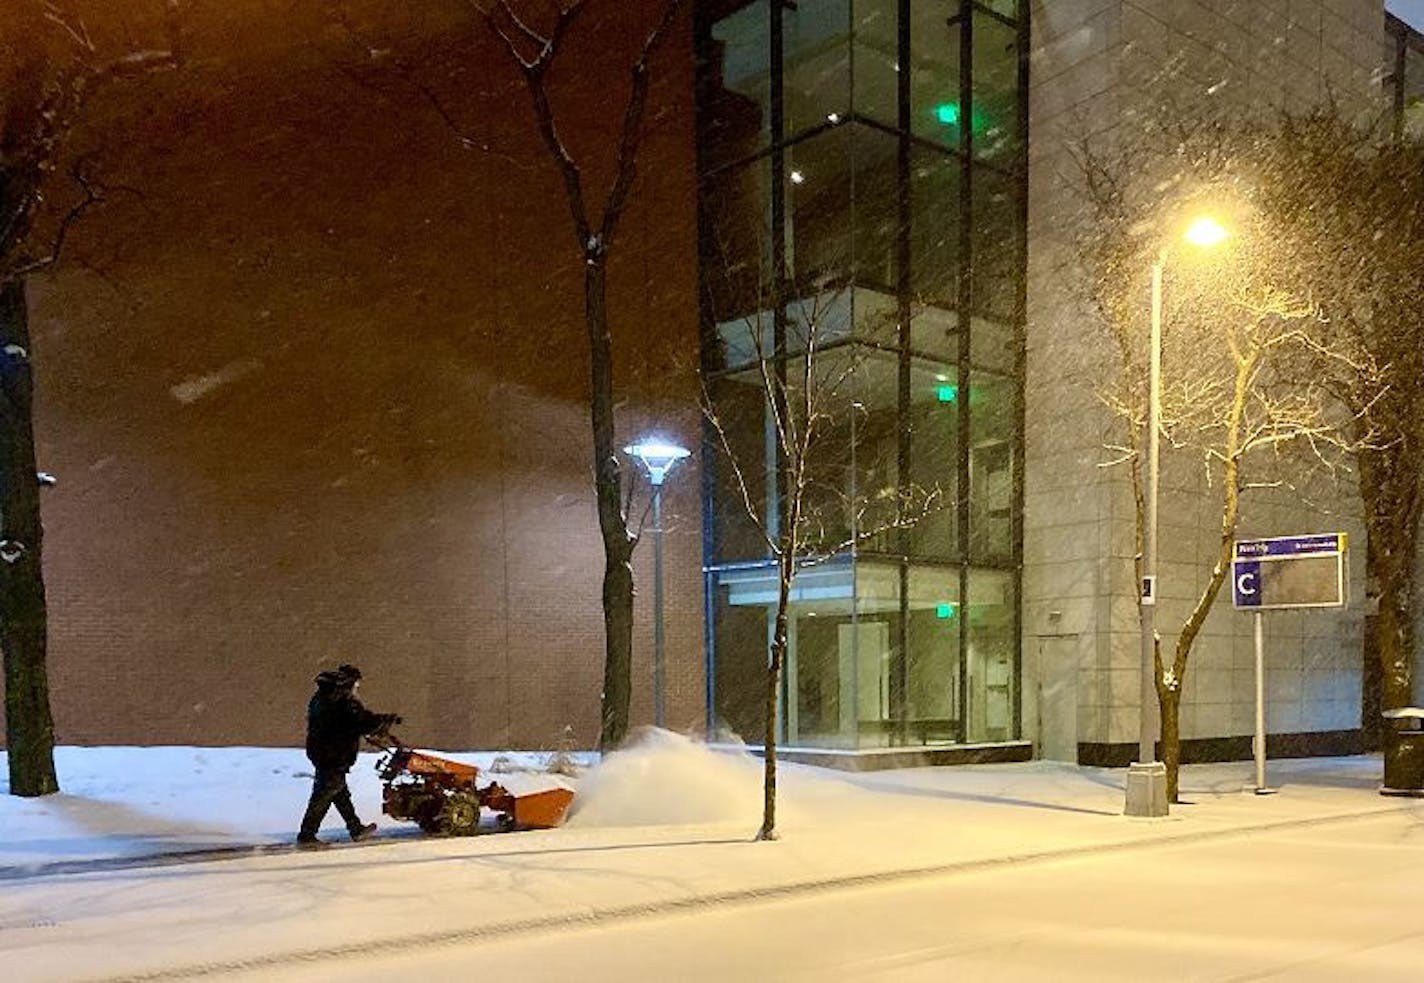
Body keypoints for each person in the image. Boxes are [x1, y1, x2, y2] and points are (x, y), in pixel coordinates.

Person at [297, 663, 399, 847]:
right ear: (350, 682)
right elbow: (362, 721)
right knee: (324, 795)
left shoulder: (322, 698)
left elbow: (346, 723)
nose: (357, 688)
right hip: (334, 754)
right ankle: (307, 835)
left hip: (321, 751)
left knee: (339, 793)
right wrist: (385, 720)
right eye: (357, 684)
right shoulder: (343, 701)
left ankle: (355, 828)